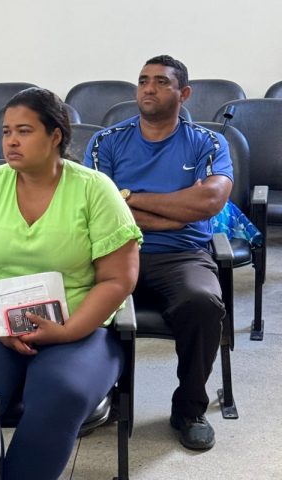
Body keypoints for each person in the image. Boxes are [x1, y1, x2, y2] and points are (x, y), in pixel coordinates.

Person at [0, 87, 141, 480]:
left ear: (55, 135)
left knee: (61, 392)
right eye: (6, 131)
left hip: (79, 328)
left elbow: (118, 278)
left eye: (24, 131)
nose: (11, 141)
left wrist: (68, 331)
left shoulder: (94, 189)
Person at [84, 55, 233, 451]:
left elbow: (209, 202)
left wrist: (128, 197)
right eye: (143, 80)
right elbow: (95, 209)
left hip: (182, 255)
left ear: (184, 93)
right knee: (74, 295)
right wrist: (174, 212)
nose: (149, 88)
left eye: (162, 82)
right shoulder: (107, 141)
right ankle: (97, 397)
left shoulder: (208, 142)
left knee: (203, 303)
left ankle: (189, 409)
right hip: (114, 249)